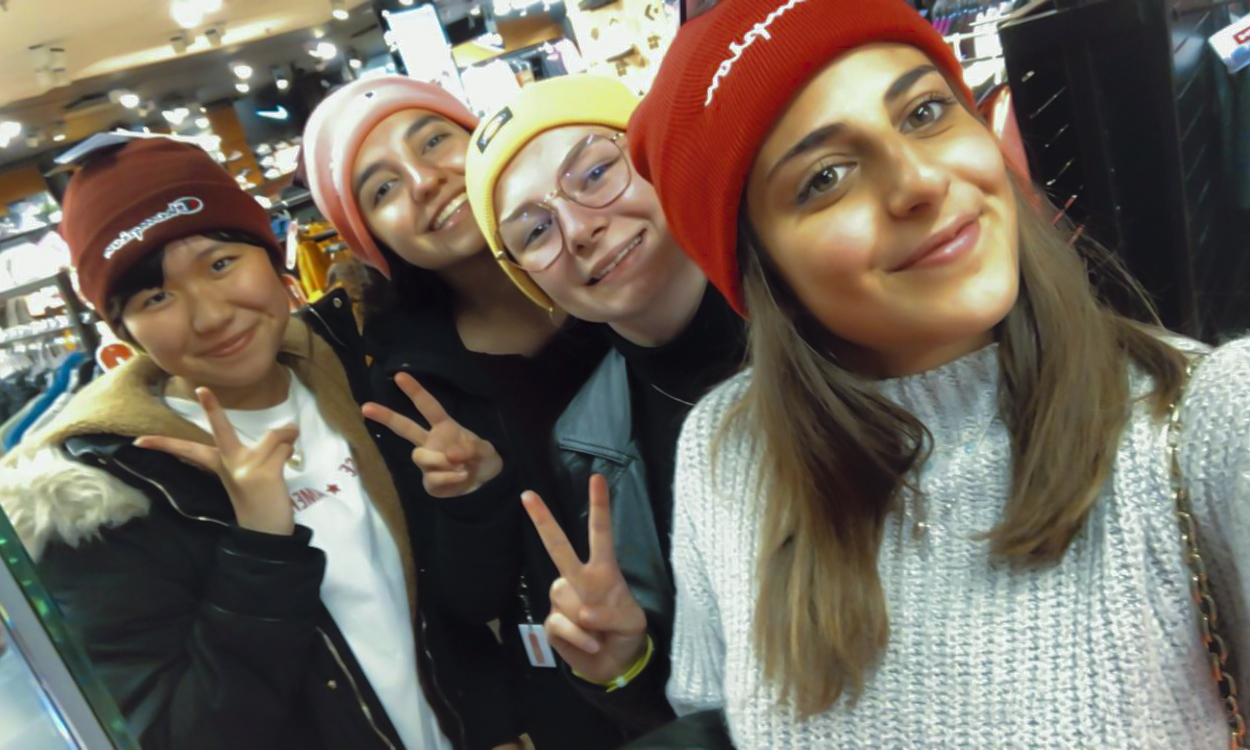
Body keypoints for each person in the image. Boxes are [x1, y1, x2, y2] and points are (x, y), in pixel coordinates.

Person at [623, 0, 1250, 746]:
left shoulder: (1207, 424)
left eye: (924, 112)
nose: (918, 180)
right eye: (826, 176)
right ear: (765, 274)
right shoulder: (725, 450)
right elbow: (709, 705)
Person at [0, 137, 460, 749]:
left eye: (220, 264)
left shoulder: (363, 368)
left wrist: (478, 490)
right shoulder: (103, 501)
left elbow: (460, 605)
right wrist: (260, 550)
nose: (210, 315)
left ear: (272, 258)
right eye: (156, 297)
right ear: (125, 332)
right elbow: (172, 736)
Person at [301, 76, 612, 749]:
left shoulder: (612, 252)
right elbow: (471, 602)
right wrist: (474, 496)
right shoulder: (408, 386)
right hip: (596, 692)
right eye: (382, 189)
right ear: (371, 239)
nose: (423, 181)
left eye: (433, 140)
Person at [463, 74, 746, 741]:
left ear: (654, 156)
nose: (580, 228)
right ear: (530, 281)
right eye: (536, 231)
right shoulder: (587, 445)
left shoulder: (827, 297)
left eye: (594, 172)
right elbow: (687, 705)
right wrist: (625, 666)